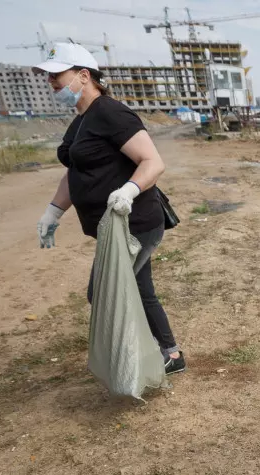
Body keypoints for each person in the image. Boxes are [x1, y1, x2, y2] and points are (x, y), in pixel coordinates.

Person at [33, 43, 185, 375]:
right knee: (140, 289)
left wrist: (129, 190)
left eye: (57, 75)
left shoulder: (111, 113)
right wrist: (53, 212)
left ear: (83, 76)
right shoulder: (81, 121)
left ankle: (142, 356)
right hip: (114, 227)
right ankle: (170, 355)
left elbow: (152, 162)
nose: (51, 82)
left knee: (104, 292)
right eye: (48, 76)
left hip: (135, 224)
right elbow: (75, 172)